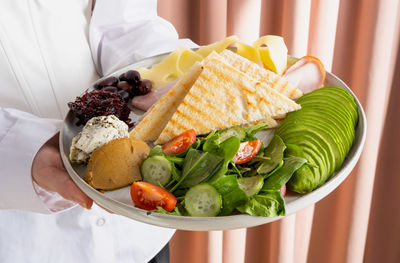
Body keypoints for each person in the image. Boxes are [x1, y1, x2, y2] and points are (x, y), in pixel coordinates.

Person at [0, 0, 197, 262]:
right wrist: (21, 148)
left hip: (139, 234)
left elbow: (126, 21)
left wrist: (163, 78)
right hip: (23, 240)